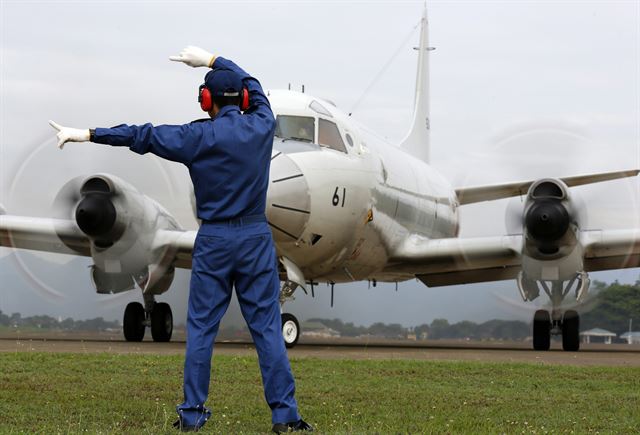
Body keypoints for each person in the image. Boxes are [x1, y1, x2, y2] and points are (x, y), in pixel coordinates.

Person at [49, 46, 312, 433]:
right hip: (256, 237)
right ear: (240, 98)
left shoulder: (195, 136)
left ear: (205, 101)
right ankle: (285, 418)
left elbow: (141, 136)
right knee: (268, 330)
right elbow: (253, 83)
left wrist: (88, 134)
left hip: (214, 239)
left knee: (202, 329)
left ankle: (192, 415)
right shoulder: (261, 124)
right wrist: (211, 60)